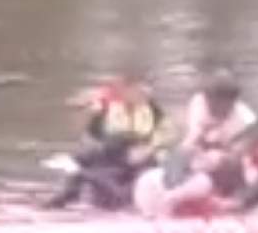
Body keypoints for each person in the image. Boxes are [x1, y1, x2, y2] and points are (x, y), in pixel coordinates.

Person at [44, 70, 168, 209]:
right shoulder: (97, 148)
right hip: (113, 157)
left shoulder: (146, 156)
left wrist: (84, 174)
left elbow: (121, 198)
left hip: (128, 181)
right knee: (83, 167)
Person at [180, 67, 257, 153]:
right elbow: (192, 138)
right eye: (211, 105)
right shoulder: (200, 102)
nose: (213, 109)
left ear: (232, 102)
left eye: (217, 106)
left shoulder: (245, 117)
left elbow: (242, 148)